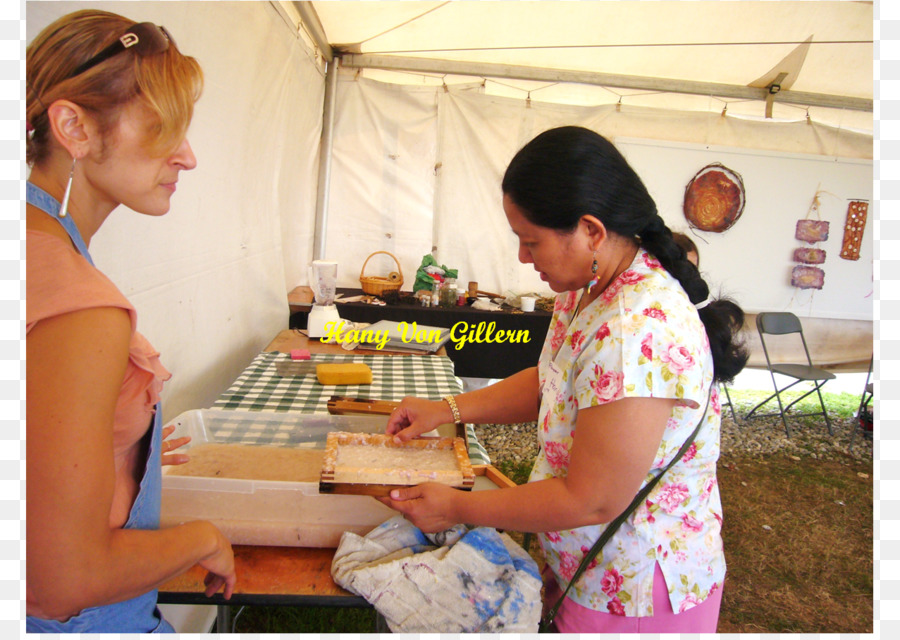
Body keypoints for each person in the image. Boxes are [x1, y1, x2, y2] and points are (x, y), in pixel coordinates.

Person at [380, 126, 748, 633]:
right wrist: (446, 409)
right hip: (586, 563)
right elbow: (551, 381)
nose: (522, 258)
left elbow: (591, 498)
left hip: (635, 589)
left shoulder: (635, 328)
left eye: (531, 241)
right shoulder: (589, 286)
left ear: (591, 231)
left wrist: (457, 508)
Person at [26, 10, 235, 633]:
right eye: (162, 127)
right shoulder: (82, 306)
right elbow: (62, 579)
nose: (188, 156)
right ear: (73, 128)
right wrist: (201, 539)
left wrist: (115, 452)